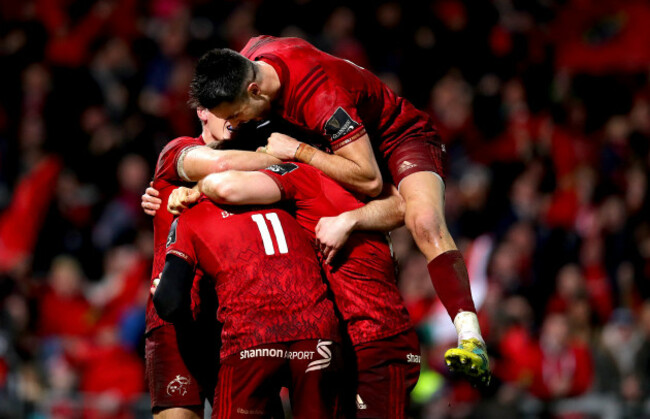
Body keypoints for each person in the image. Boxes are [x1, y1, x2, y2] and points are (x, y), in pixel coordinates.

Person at [187, 35, 490, 385]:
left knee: (423, 220)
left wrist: (299, 150)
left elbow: (370, 180)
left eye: (237, 114)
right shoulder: (252, 55)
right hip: (340, 140)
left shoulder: (320, 96)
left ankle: (470, 336)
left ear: (255, 91)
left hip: (395, 138)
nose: (236, 124)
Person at [168, 161, 420, 418]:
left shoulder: (299, 177)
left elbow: (171, 301)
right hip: (326, 334)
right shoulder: (290, 198)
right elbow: (397, 202)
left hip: (368, 335)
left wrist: (196, 188)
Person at [144, 108, 280, 419]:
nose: (233, 118)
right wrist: (293, 156)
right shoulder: (177, 150)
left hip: (234, 324)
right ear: (202, 110)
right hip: (174, 321)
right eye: (223, 108)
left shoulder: (253, 166)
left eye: (240, 110)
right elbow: (218, 163)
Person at [153, 196, 341, 418]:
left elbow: (170, 304)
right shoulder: (289, 199)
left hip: (253, 337)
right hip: (317, 332)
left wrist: (162, 291)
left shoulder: (191, 216)